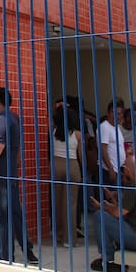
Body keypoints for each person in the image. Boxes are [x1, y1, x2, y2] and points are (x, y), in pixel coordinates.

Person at [0, 85, 37, 264]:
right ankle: (22, 251)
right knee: (12, 214)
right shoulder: (11, 119)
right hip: (5, 175)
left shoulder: (1, 121)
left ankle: (3, 254)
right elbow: (16, 151)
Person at [86, 155, 136, 272]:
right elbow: (126, 209)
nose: (123, 174)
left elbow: (118, 213)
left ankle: (108, 260)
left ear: (128, 170)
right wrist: (114, 200)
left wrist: (103, 206)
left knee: (100, 216)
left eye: (124, 169)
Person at [51, 103, 85, 246]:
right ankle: (69, 239)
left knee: (57, 201)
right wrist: (83, 172)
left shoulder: (53, 131)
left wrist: (57, 106)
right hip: (72, 165)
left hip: (56, 165)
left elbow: (49, 114)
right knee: (70, 203)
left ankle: (58, 233)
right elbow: (81, 155)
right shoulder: (77, 134)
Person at [100, 99, 127, 185]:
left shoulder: (117, 128)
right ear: (108, 113)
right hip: (108, 171)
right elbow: (103, 150)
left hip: (119, 171)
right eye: (113, 112)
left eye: (119, 114)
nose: (116, 116)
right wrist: (111, 170)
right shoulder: (104, 127)